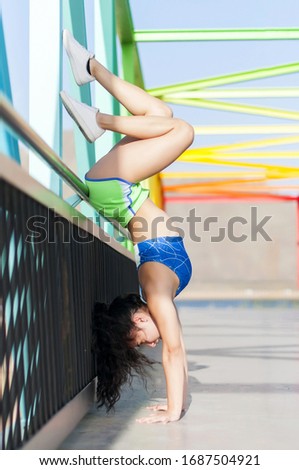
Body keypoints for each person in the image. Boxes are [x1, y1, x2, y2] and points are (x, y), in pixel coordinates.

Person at [61, 30, 194, 424]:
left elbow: (173, 350)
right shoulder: (155, 292)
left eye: (140, 339)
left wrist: (172, 412)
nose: (150, 344)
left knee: (182, 131)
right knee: (163, 118)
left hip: (114, 189)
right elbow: (178, 346)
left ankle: (97, 119)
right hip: (117, 188)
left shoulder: (154, 289)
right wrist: (177, 402)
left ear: (138, 318)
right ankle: (90, 67)